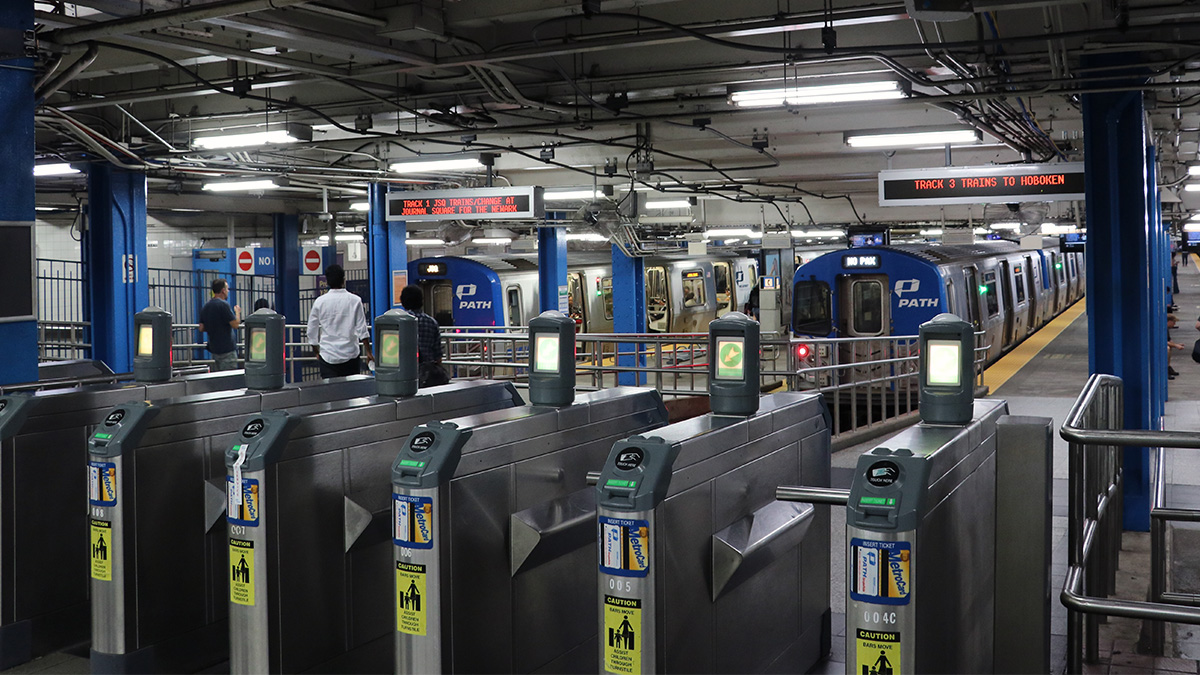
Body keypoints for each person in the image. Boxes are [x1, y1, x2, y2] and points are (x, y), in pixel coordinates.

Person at [306, 264, 372, 378]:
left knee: (330, 394)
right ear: (343, 280)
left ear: (327, 282)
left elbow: (311, 331)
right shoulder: (355, 300)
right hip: (350, 355)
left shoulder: (320, 302)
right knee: (351, 393)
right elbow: (362, 329)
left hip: (328, 356)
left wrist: (316, 351)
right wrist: (369, 352)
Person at [401, 285, 449, 387]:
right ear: (421, 301)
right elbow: (438, 355)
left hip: (405, 373)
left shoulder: (400, 321)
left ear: (403, 301)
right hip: (427, 375)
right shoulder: (432, 322)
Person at [198, 278, 241, 371]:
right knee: (229, 379)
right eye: (227, 289)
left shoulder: (206, 306)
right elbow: (235, 325)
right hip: (227, 349)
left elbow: (201, 328)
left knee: (217, 380)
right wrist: (237, 312)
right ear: (223, 290)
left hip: (214, 349)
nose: (228, 291)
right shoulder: (224, 305)